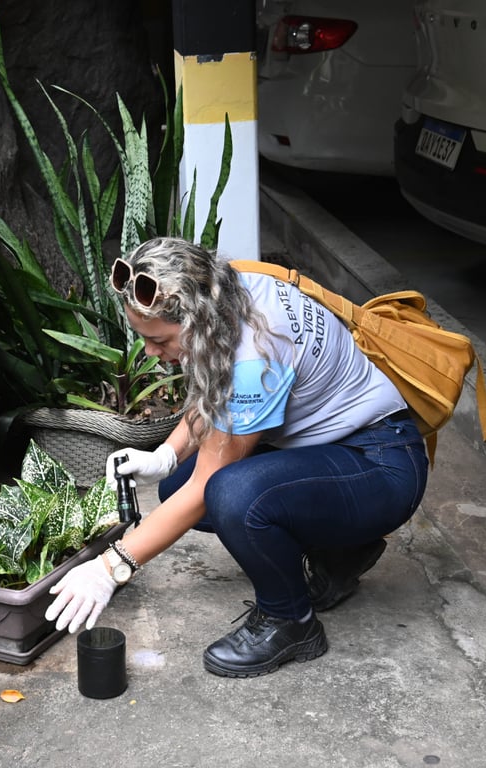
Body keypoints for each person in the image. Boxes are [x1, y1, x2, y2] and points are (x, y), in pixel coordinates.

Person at [45, 237, 428, 678]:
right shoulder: (227, 288)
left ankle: (290, 621)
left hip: (381, 464)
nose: (150, 352)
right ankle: (341, 551)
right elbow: (216, 388)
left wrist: (110, 566)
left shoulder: (256, 356)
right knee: (175, 486)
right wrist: (167, 456)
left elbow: (209, 481)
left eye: (158, 339)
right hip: (337, 452)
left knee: (230, 495)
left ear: (192, 319)